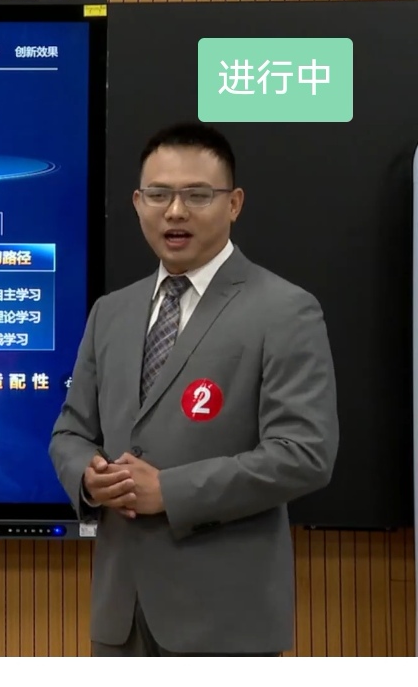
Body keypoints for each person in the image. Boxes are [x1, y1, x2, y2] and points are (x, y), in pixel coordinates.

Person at [49, 122, 339, 657]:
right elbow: (70, 432)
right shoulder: (110, 312)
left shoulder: (284, 310)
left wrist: (171, 491)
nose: (175, 211)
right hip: (119, 620)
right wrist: (89, 477)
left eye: (197, 196)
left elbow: (304, 454)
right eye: (159, 194)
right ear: (138, 202)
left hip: (226, 623)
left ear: (234, 203)